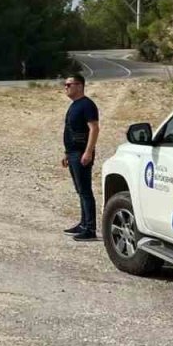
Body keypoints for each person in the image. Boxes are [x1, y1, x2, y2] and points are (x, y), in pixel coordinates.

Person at [62, 73, 100, 241]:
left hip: (81, 153)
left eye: (69, 85)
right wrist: (66, 153)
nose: (66, 87)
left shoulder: (87, 105)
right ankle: (83, 223)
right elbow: (70, 130)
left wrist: (88, 151)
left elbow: (94, 128)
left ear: (79, 86)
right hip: (73, 153)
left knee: (85, 191)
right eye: (65, 85)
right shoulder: (74, 105)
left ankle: (90, 228)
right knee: (80, 190)